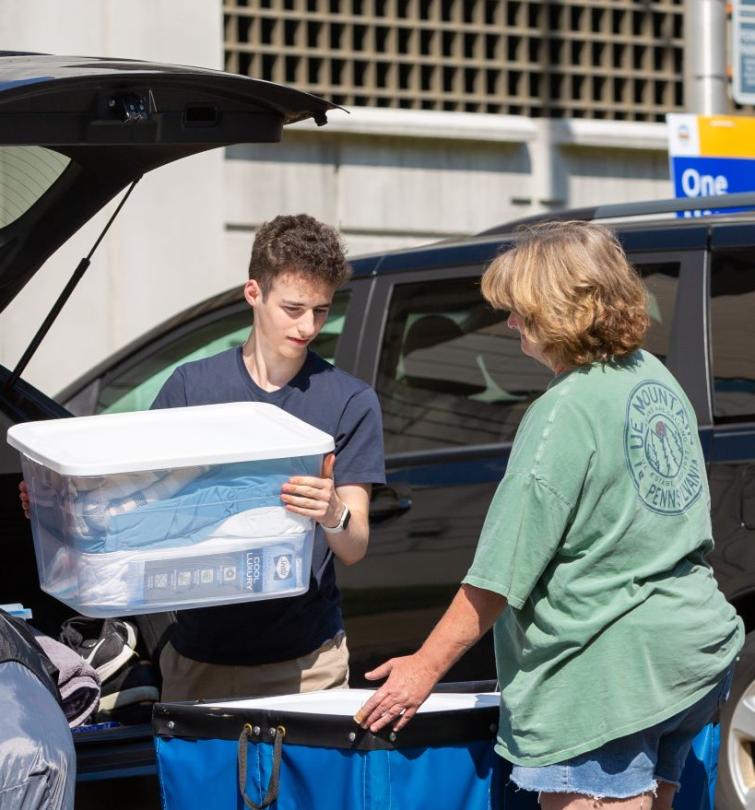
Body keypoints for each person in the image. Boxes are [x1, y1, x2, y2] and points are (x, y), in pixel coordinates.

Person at [354, 221, 743, 810]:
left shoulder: (562, 413)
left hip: (607, 671)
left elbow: (500, 574)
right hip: (689, 650)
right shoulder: (654, 376)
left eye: (519, 309)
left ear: (560, 309)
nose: (509, 323)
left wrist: (422, 668)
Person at [21, 214, 385, 703]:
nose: (308, 326)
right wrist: (57, 506)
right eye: (293, 308)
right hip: (195, 658)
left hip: (306, 662)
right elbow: (137, 500)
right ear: (253, 292)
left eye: (321, 310)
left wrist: (333, 512)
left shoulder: (349, 400)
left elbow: (355, 545)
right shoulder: (192, 387)